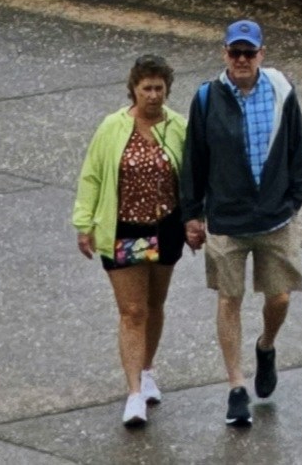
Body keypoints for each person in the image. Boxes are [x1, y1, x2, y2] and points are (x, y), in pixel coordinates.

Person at [180, 19, 302, 432]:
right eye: (234, 52)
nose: (241, 60)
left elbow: (298, 149)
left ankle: (266, 345)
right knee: (229, 300)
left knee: (280, 299)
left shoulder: (280, 92)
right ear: (224, 53)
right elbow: (194, 160)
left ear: (261, 54)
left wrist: (293, 198)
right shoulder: (206, 98)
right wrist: (192, 213)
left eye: (249, 53)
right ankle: (236, 386)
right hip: (227, 220)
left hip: (275, 217)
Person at [73, 51, 188, 429]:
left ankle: (148, 368)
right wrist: (84, 222)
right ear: (133, 90)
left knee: (155, 304)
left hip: (165, 226)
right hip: (125, 229)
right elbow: (92, 174)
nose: (153, 95)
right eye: (146, 88)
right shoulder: (112, 127)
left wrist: (196, 219)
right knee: (132, 311)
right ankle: (134, 392)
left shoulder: (178, 127)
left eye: (159, 88)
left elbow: (191, 176)